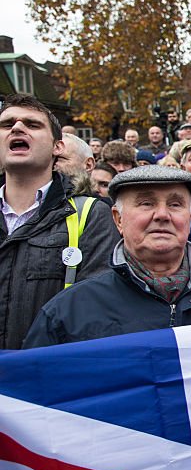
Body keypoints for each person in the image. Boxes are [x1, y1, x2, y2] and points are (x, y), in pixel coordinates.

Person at [23, 166, 191, 348]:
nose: (162, 215)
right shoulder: (68, 312)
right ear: (118, 219)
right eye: (146, 204)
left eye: (175, 205)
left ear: (190, 217)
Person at [0, 93, 120, 350]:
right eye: (7, 124)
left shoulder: (90, 215)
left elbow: (95, 312)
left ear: (57, 147)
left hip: (45, 378)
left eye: (32, 125)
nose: (17, 128)